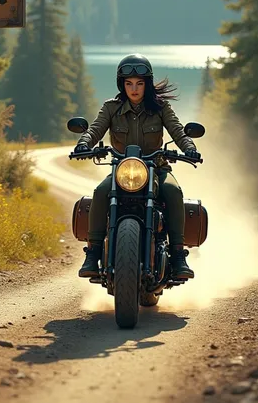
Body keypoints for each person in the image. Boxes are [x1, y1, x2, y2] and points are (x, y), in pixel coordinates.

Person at [73, 54, 201, 280]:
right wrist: (84, 143)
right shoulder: (111, 108)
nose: (134, 89)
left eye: (139, 84)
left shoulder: (161, 108)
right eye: (129, 83)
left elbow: (178, 131)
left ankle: (178, 255)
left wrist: (189, 147)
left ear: (147, 85)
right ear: (122, 85)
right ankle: (92, 254)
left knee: (173, 191)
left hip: (156, 169)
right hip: (122, 170)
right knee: (101, 192)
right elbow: (95, 129)